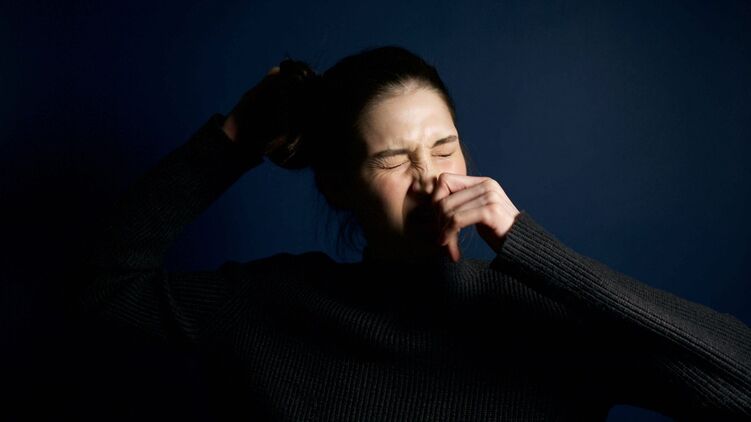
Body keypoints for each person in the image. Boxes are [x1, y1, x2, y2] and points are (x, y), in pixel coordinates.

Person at [76, 45, 751, 420]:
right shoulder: (275, 306)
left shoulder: (545, 318)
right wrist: (234, 138)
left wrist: (529, 246)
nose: (430, 179)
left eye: (445, 148)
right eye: (392, 160)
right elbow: (102, 288)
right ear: (338, 186)